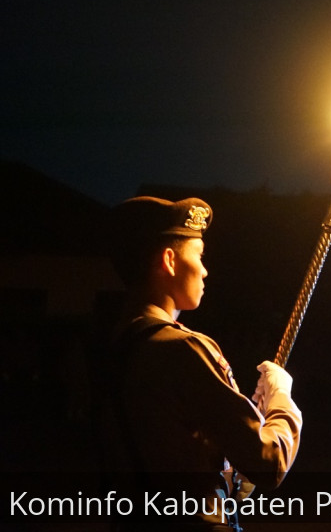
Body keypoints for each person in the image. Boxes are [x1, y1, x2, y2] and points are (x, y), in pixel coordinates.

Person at [105, 196, 302, 531]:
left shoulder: (115, 346)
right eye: (199, 255)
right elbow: (269, 462)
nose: (205, 270)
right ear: (170, 260)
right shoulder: (185, 348)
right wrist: (281, 399)